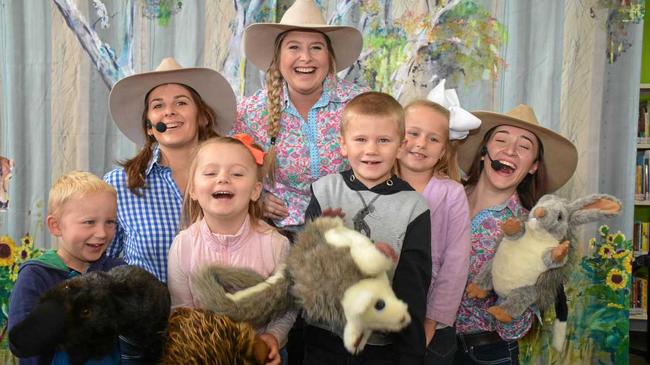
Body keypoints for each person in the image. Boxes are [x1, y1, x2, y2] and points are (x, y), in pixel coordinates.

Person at [304, 92, 432, 365]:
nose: (371, 150)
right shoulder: (324, 190)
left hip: (380, 348)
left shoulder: (414, 207)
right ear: (343, 144)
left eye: (383, 140)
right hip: (322, 339)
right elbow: (305, 264)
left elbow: (413, 287)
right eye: (360, 139)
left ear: (401, 146)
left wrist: (411, 354)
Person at [453, 104, 578, 365]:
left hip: (486, 354)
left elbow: (516, 330)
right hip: (426, 345)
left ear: (533, 166)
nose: (510, 150)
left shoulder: (532, 233)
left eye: (524, 146)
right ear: (483, 154)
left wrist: (514, 301)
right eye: (501, 140)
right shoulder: (445, 196)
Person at [233, 0, 367, 235]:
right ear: (278, 58)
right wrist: (255, 198)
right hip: (281, 233)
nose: (305, 58)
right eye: (293, 47)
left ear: (330, 58)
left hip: (349, 231)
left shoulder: (360, 104)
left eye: (316, 47)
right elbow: (226, 167)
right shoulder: (250, 112)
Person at [104, 57, 237, 283]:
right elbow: (102, 260)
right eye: (158, 106)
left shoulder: (233, 179)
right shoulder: (120, 184)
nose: (169, 112)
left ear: (203, 117)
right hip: (149, 315)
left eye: (181, 103)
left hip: (221, 315)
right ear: (149, 126)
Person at [167, 135, 295, 365]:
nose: (223, 179)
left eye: (236, 174)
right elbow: (181, 310)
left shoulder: (276, 245)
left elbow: (286, 308)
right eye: (210, 173)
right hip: (204, 356)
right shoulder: (182, 245)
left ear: (256, 191)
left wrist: (274, 336)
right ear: (193, 189)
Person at [396, 80, 480, 365]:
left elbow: (456, 264)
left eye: (433, 139)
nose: (421, 144)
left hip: (431, 323)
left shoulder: (451, 194)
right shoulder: (378, 187)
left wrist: (432, 320)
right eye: (413, 134)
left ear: (444, 150)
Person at [8, 171, 125, 365]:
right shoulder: (36, 275)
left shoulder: (117, 272)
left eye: (110, 222)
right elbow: (22, 345)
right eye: (89, 222)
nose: (102, 233)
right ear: (56, 226)